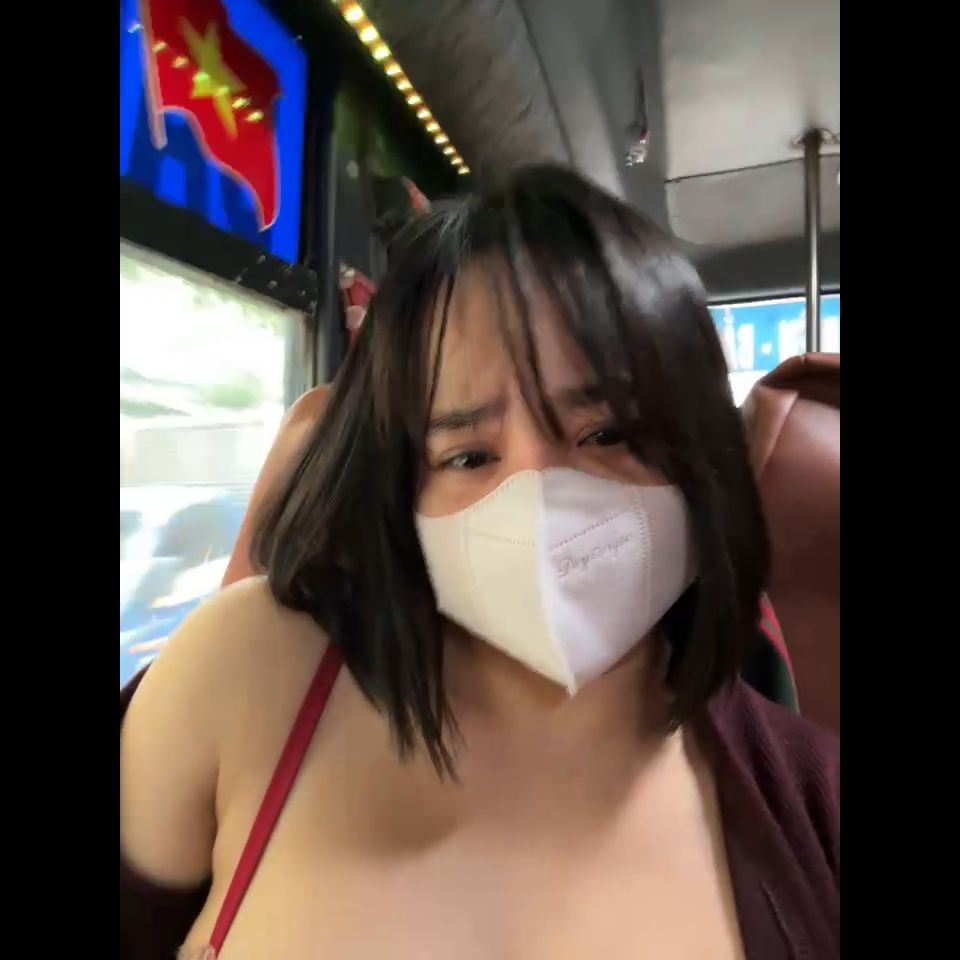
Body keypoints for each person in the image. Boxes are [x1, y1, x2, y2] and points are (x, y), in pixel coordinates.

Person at [120, 165, 839, 960]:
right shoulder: (244, 675)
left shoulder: (814, 804)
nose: (539, 499)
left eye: (605, 434)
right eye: (466, 456)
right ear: (402, 490)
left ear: (704, 454)